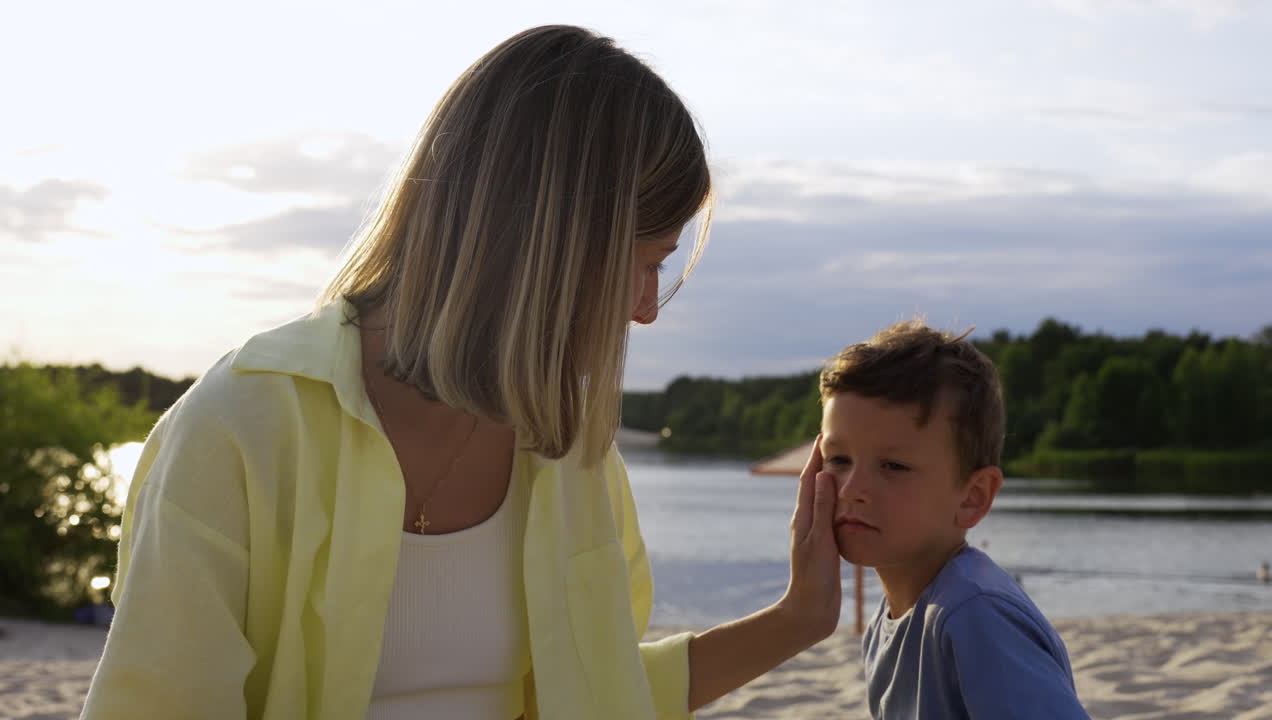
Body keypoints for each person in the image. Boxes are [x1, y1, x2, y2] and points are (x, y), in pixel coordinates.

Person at [80, 25, 843, 720]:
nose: (645, 310)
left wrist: (798, 619)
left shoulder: (572, 453)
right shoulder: (240, 431)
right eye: (640, 266)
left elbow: (596, 693)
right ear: (546, 241)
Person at [817, 320, 1088, 719]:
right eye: (838, 459)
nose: (852, 488)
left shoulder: (975, 614)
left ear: (972, 497)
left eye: (893, 465)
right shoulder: (892, 618)